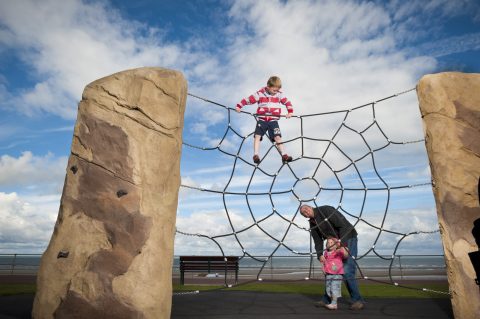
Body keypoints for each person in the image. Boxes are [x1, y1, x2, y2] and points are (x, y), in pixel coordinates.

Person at [299, 204, 365, 310]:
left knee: (347, 269)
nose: (305, 212)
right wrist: (320, 255)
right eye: (303, 213)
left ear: (311, 207)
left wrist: (342, 244)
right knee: (330, 271)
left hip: (348, 237)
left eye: (306, 209)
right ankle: (327, 299)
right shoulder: (312, 223)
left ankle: (357, 300)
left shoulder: (325, 210)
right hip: (334, 244)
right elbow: (318, 240)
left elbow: (342, 225)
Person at [235, 76, 294, 164]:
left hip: (273, 120)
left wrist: (290, 112)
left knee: (278, 137)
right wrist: (239, 105)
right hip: (262, 119)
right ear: (268, 87)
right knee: (257, 136)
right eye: (274, 90)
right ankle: (256, 155)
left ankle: (284, 155)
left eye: (277, 90)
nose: (276, 92)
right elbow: (249, 100)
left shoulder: (279, 94)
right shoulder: (260, 94)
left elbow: (287, 102)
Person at [323, 237, 348, 310]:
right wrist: (323, 268)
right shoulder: (326, 253)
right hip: (328, 274)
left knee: (334, 288)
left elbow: (344, 254)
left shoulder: (338, 252)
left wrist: (340, 248)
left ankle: (334, 304)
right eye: (328, 243)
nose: (330, 244)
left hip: (337, 274)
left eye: (332, 243)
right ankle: (333, 302)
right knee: (328, 289)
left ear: (336, 245)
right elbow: (324, 261)